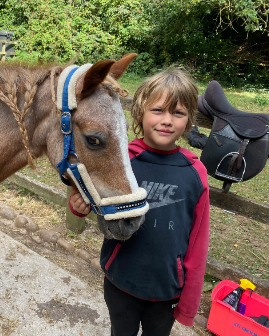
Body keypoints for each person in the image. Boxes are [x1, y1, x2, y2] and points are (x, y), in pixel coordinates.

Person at [69, 68, 210, 336]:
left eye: (178, 113)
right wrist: (78, 206)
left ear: (189, 119)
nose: (167, 120)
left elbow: (198, 242)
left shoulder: (195, 173)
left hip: (166, 292)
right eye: (158, 110)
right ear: (140, 113)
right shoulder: (123, 162)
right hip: (120, 282)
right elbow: (92, 200)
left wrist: (189, 304)